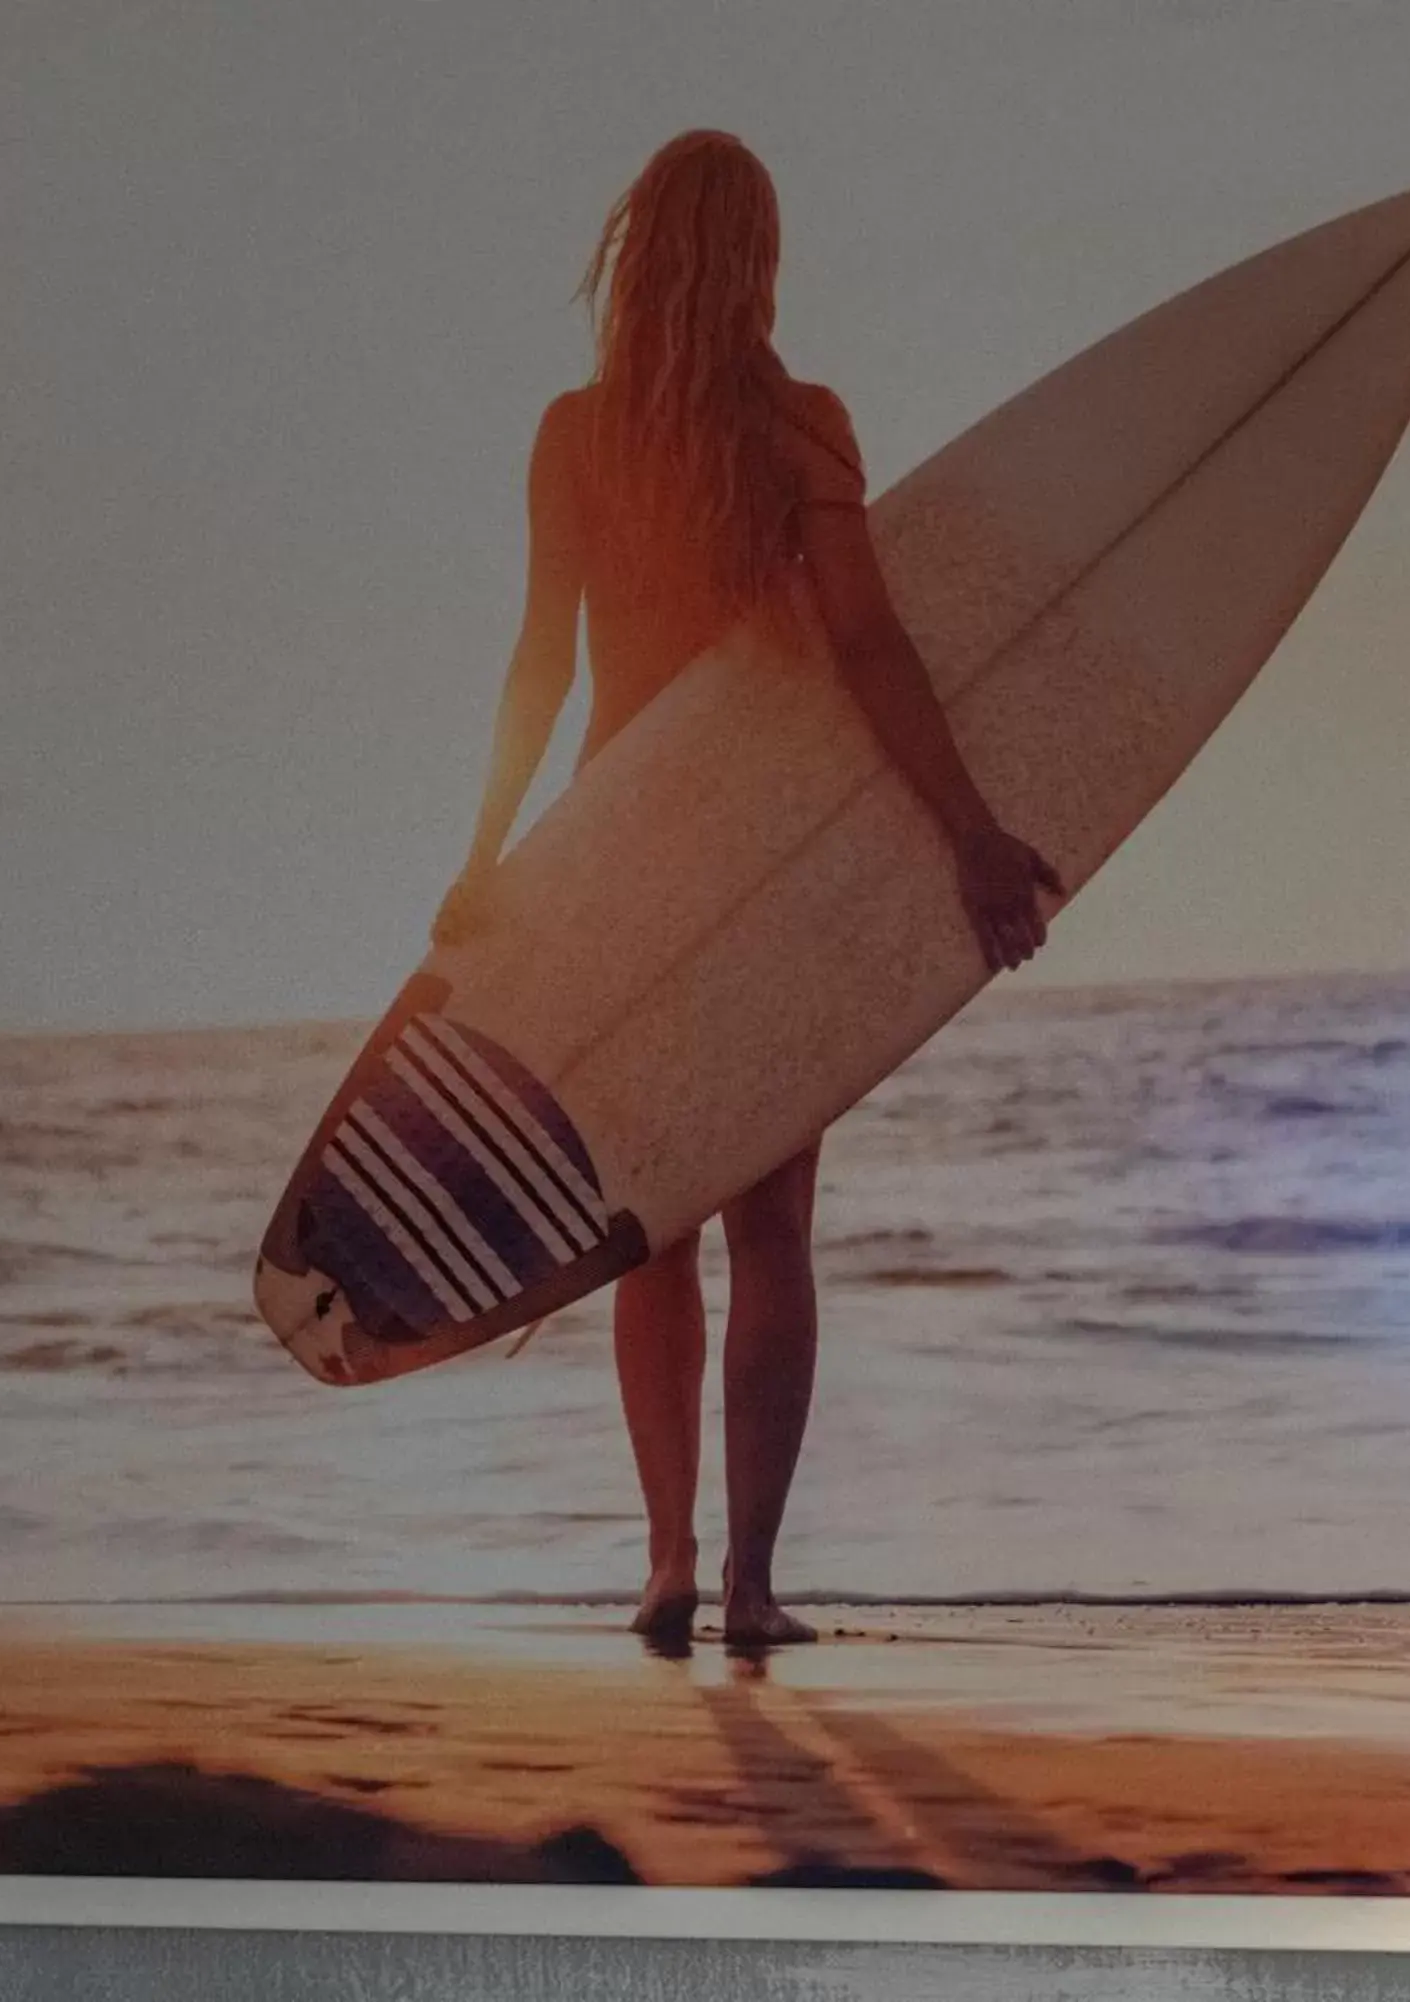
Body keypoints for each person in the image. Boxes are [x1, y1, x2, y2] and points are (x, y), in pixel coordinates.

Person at [431, 131, 1059, 1649]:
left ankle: (666, 1564)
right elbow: (868, 649)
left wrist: (487, 854)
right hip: (770, 865)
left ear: (636, 257)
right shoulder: (804, 430)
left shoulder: (575, 436)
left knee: (652, 1222)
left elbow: (541, 662)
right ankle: (757, 1585)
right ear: (760, 262)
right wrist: (970, 830)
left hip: (624, 855)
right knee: (773, 1226)